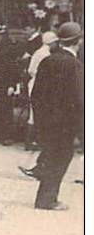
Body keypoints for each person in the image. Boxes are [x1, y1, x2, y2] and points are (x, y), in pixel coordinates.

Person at [30, 22, 83, 211]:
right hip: (65, 124)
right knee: (61, 157)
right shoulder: (74, 65)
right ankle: (47, 200)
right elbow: (79, 99)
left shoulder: (47, 61)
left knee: (51, 156)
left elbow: (35, 94)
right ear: (78, 42)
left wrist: (40, 118)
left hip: (46, 121)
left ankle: (45, 198)